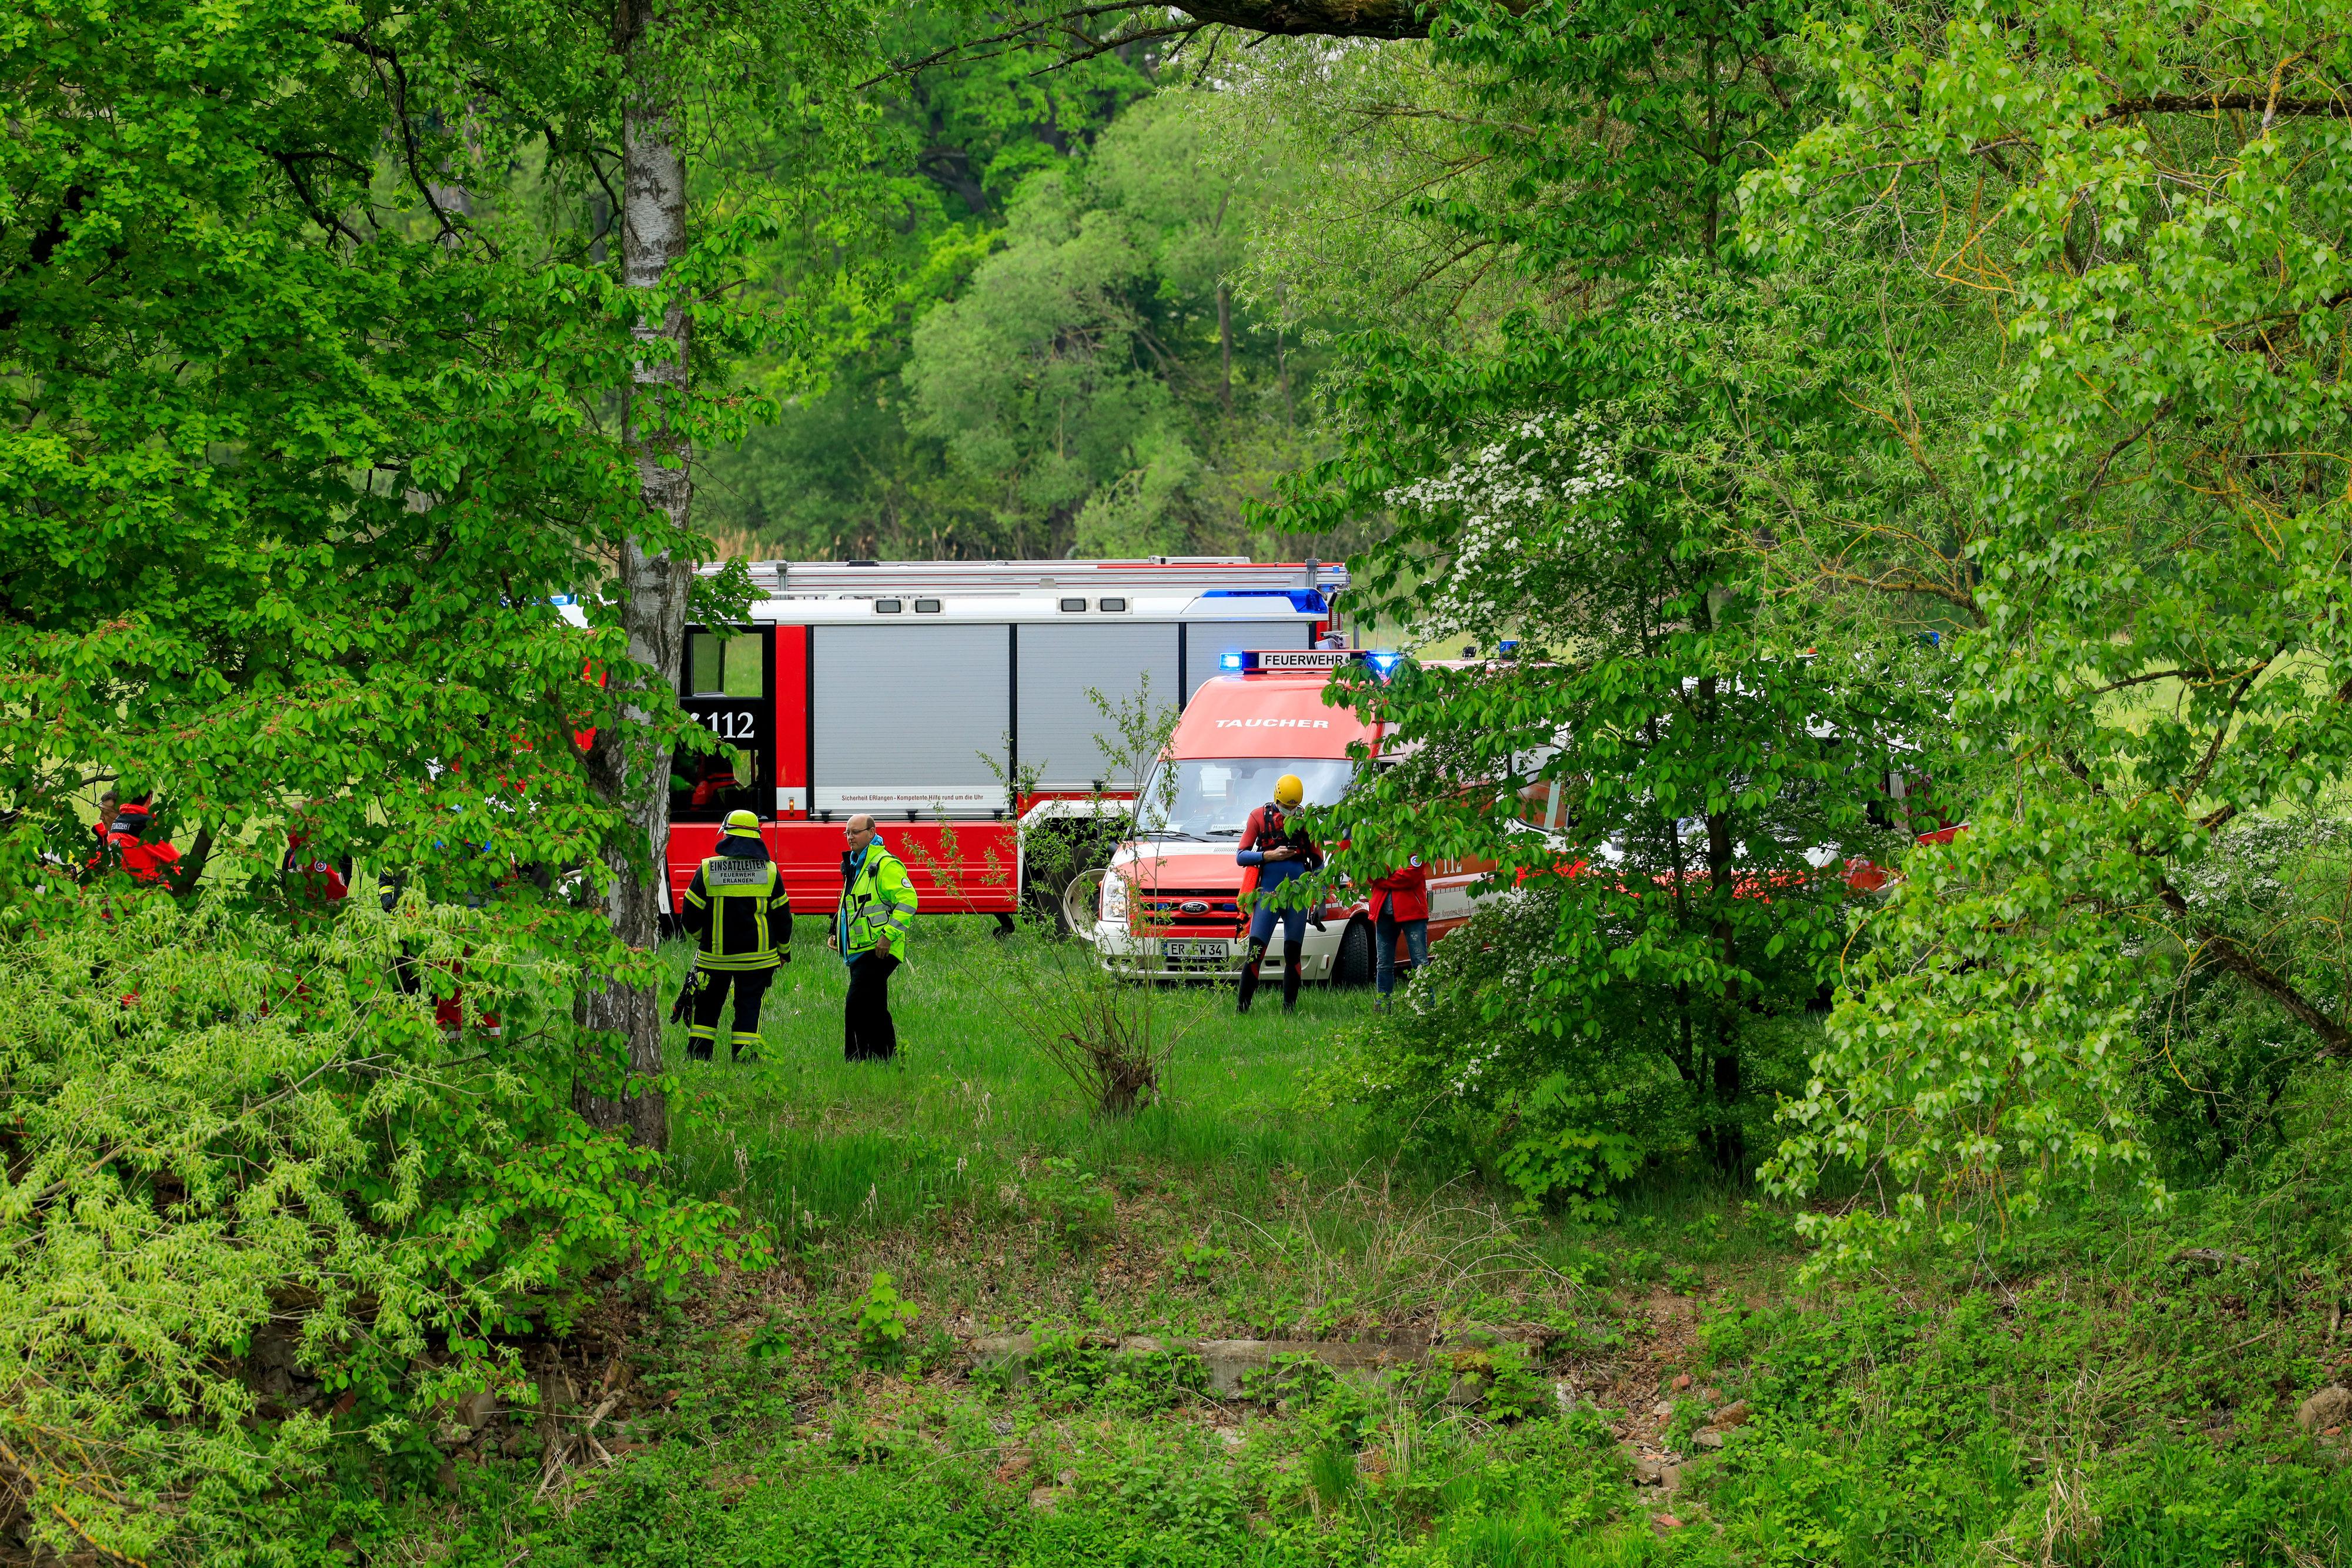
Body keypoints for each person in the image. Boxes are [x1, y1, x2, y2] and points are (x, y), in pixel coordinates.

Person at [677, 808, 793, 1062]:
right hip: (758, 961)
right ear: (757, 838)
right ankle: (745, 1062)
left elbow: (689, 916)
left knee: (706, 1010)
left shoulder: (708, 869)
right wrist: (784, 952)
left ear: (727, 835)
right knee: (749, 1009)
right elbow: (783, 918)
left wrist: (703, 939)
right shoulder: (770, 871)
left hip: (713, 960)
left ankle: (698, 1061)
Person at [1235, 774, 1324, 1014]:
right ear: (1276, 798)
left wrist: (1321, 901)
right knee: (1256, 951)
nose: (1289, 811)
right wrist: (1268, 856)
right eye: (1286, 807)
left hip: (1298, 895)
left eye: (1294, 807)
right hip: (1268, 894)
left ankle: (1289, 1010)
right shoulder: (1258, 817)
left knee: (1293, 953)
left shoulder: (1308, 821)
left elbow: (1318, 865)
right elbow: (1241, 856)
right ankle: (1242, 1010)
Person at [836, 814, 916, 1061]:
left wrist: (888, 936)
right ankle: (885, 1057)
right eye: (847, 833)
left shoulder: (885, 864)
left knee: (857, 1004)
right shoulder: (856, 863)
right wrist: (834, 932)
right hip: (861, 948)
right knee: (875, 1006)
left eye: (856, 832)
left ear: (872, 833)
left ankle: (856, 1059)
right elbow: (850, 903)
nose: (851, 837)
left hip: (879, 948)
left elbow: (908, 900)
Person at [1367, 854, 1430, 1008]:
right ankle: (1383, 1008)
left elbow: (1410, 876)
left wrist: (1383, 877)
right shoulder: (1378, 844)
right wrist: (1390, 874)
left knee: (1420, 963)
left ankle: (1427, 1008)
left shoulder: (1415, 843)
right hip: (1384, 913)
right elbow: (1370, 874)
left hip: (1413, 913)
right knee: (1383, 964)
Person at [89, 791, 182, 888]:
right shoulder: (145, 826)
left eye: (106, 812)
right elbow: (177, 860)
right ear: (150, 799)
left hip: (126, 893)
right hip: (147, 894)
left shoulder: (116, 831)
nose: (101, 817)